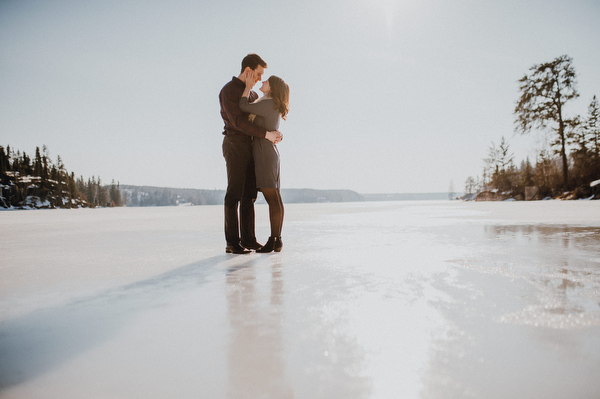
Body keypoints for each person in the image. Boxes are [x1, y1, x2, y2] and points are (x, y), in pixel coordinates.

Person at [219, 54, 282, 254]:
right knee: (234, 193)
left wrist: (273, 134)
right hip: (235, 144)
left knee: (250, 195)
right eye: (258, 74)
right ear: (248, 70)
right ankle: (232, 242)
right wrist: (266, 133)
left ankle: (249, 239)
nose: (259, 79)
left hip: (253, 146)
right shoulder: (228, 91)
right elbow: (238, 122)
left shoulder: (253, 96)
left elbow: (260, 119)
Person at [239, 73, 289, 253]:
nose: (263, 81)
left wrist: (247, 87)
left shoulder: (268, 103)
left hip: (265, 153)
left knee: (272, 198)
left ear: (273, 87)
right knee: (275, 198)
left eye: (266, 81)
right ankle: (276, 240)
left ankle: (274, 240)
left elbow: (243, 106)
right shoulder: (270, 103)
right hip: (269, 152)